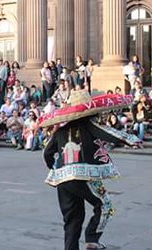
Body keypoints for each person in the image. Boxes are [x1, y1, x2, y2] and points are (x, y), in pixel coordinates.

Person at [40, 90, 140, 250]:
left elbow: (47, 153)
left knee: (72, 219)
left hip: (62, 180)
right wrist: (131, 140)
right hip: (82, 177)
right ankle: (92, 238)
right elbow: (108, 133)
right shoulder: (89, 124)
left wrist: (55, 167)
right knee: (105, 205)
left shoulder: (60, 130)